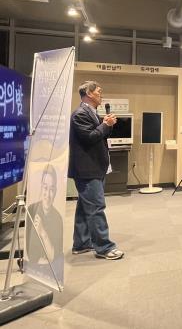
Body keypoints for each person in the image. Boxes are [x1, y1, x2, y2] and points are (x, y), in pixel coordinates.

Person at [69, 81, 124, 260]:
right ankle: (104, 247)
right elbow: (89, 137)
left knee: (85, 208)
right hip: (87, 169)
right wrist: (105, 124)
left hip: (94, 166)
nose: (101, 94)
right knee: (96, 207)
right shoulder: (80, 114)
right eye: (99, 91)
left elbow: (100, 136)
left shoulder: (92, 112)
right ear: (88, 93)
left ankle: (81, 244)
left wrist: (108, 124)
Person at [26, 164, 64, 271]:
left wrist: (42, 232)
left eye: (51, 189)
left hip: (51, 270)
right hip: (34, 269)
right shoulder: (32, 210)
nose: (47, 194)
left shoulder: (58, 219)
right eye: (45, 188)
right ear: (41, 188)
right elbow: (30, 254)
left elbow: (54, 256)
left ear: (55, 191)